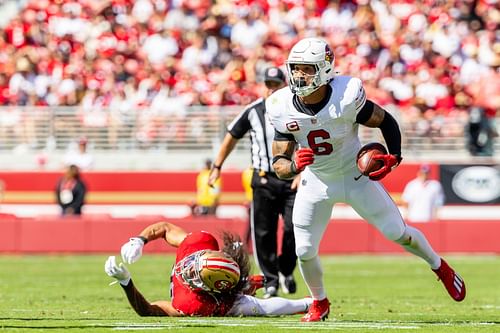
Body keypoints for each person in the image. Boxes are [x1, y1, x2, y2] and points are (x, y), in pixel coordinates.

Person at [267, 38, 466, 322]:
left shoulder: (345, 96)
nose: (299, 75)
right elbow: (279, 163)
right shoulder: (280, 106)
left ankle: (439, 266)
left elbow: (386, 121)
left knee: (398, 233)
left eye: (307, 69)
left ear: (324, 70)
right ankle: (319, 301)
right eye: (296, 68)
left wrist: (394, 157)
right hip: (317, 181)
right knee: (305, 250)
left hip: (355, 175)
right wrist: (292, 166)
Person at [208, 67, 299, 298]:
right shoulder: (253, 111)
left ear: (284, 86)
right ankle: (270, 280)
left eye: (276, 84)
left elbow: (309, 141)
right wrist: (217, 166)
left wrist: (303, 172)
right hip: (263, 178)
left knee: (294, 228)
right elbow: (232, 136)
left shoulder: (296, 109)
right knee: (263, 232)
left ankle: (286, 270)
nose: (271, 89)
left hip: (292, 179)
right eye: (268, 84)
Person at [104, 221, 313, 317]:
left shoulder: (196, 304)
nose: (187, 267)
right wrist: (139, 240)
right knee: (247, 285)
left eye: (195, 272)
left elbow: (147, 310)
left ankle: (307, 303)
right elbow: (165, 228)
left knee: (258, 307)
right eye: (195, 261)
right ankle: (254, 281)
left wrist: (126, 282)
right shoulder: (198, 244)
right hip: (221, 280)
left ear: (205, 287)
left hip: (225, 298)